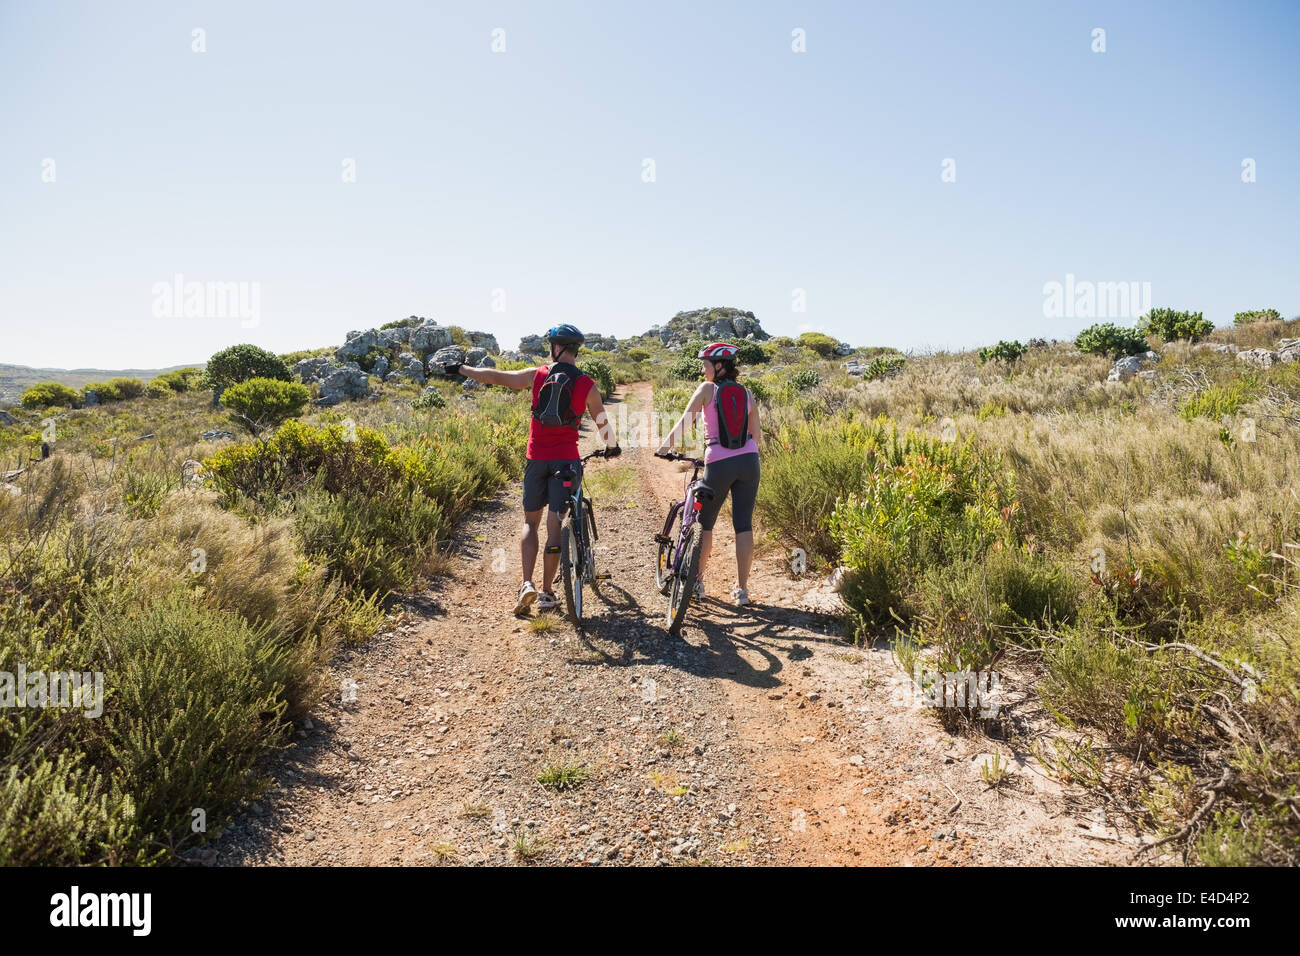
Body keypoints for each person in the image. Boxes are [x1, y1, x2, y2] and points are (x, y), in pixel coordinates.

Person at [442, 324, 620, 614]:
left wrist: (462, 369)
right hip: (566, 461)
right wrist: (612, 447)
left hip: (536, 460)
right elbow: (602, 422)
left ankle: (526, 584)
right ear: (574, 350)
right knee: (554, 528)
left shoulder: (537, 375)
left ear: (556, 348)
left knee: (530, 523)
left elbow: (497, 377)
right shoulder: (587, 384)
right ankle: (548, 592)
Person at [656, 342, 761, 605]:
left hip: (719, 461)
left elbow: (685, 420)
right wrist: (743, 455)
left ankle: (697, 582)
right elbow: (756, 435)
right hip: (749, 461)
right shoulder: (747, 394)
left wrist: (664, 447)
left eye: (705, 364)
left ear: (719, 365)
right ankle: (742, 590)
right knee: (744, 524)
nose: (703, 370)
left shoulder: (706, 390)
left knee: (705, 524)